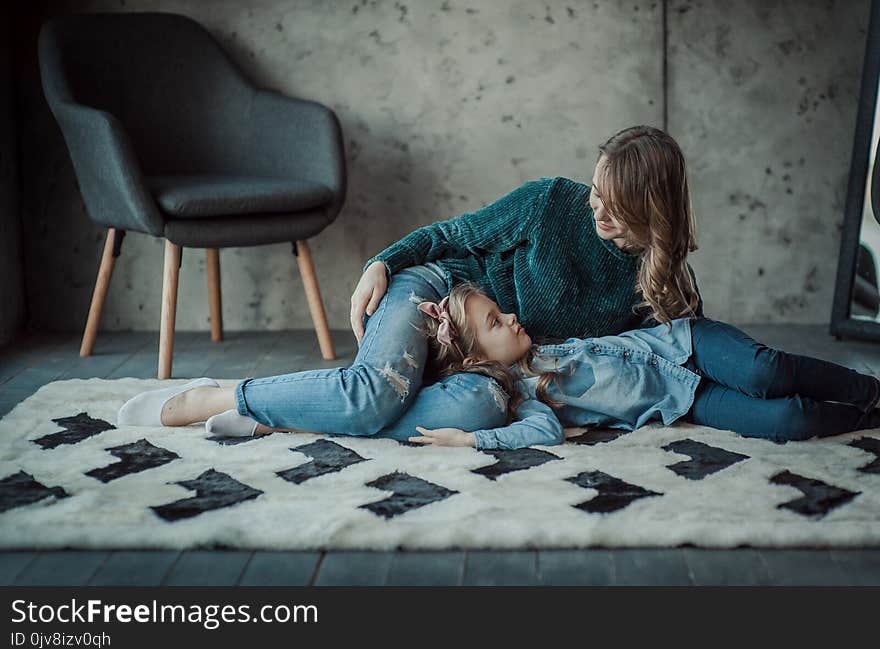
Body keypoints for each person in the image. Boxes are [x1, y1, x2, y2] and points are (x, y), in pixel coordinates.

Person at [118, 125, 705, 436]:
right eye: (596, 192)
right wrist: (384, 260)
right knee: (375, 393)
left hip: (490, 358)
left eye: (615, 206)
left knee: (481, 414)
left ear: (652, 210)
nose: (595, 211)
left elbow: (653, 355)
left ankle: (290, 415)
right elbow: (450, 233)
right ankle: (216, 399)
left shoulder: (660, 280)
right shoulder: (551, 202)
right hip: (433, 291)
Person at [408, 283, 880, 448]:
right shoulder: (527, 401)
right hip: (685, 401)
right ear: (474, 360)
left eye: (501, 311)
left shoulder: (541, 348)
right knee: (787, 420)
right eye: (495, 322)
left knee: (763, 372)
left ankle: (868, 389)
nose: (511, 318)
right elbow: (544, 436)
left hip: (684, 345)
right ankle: (866, 418)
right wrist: (471, 438)